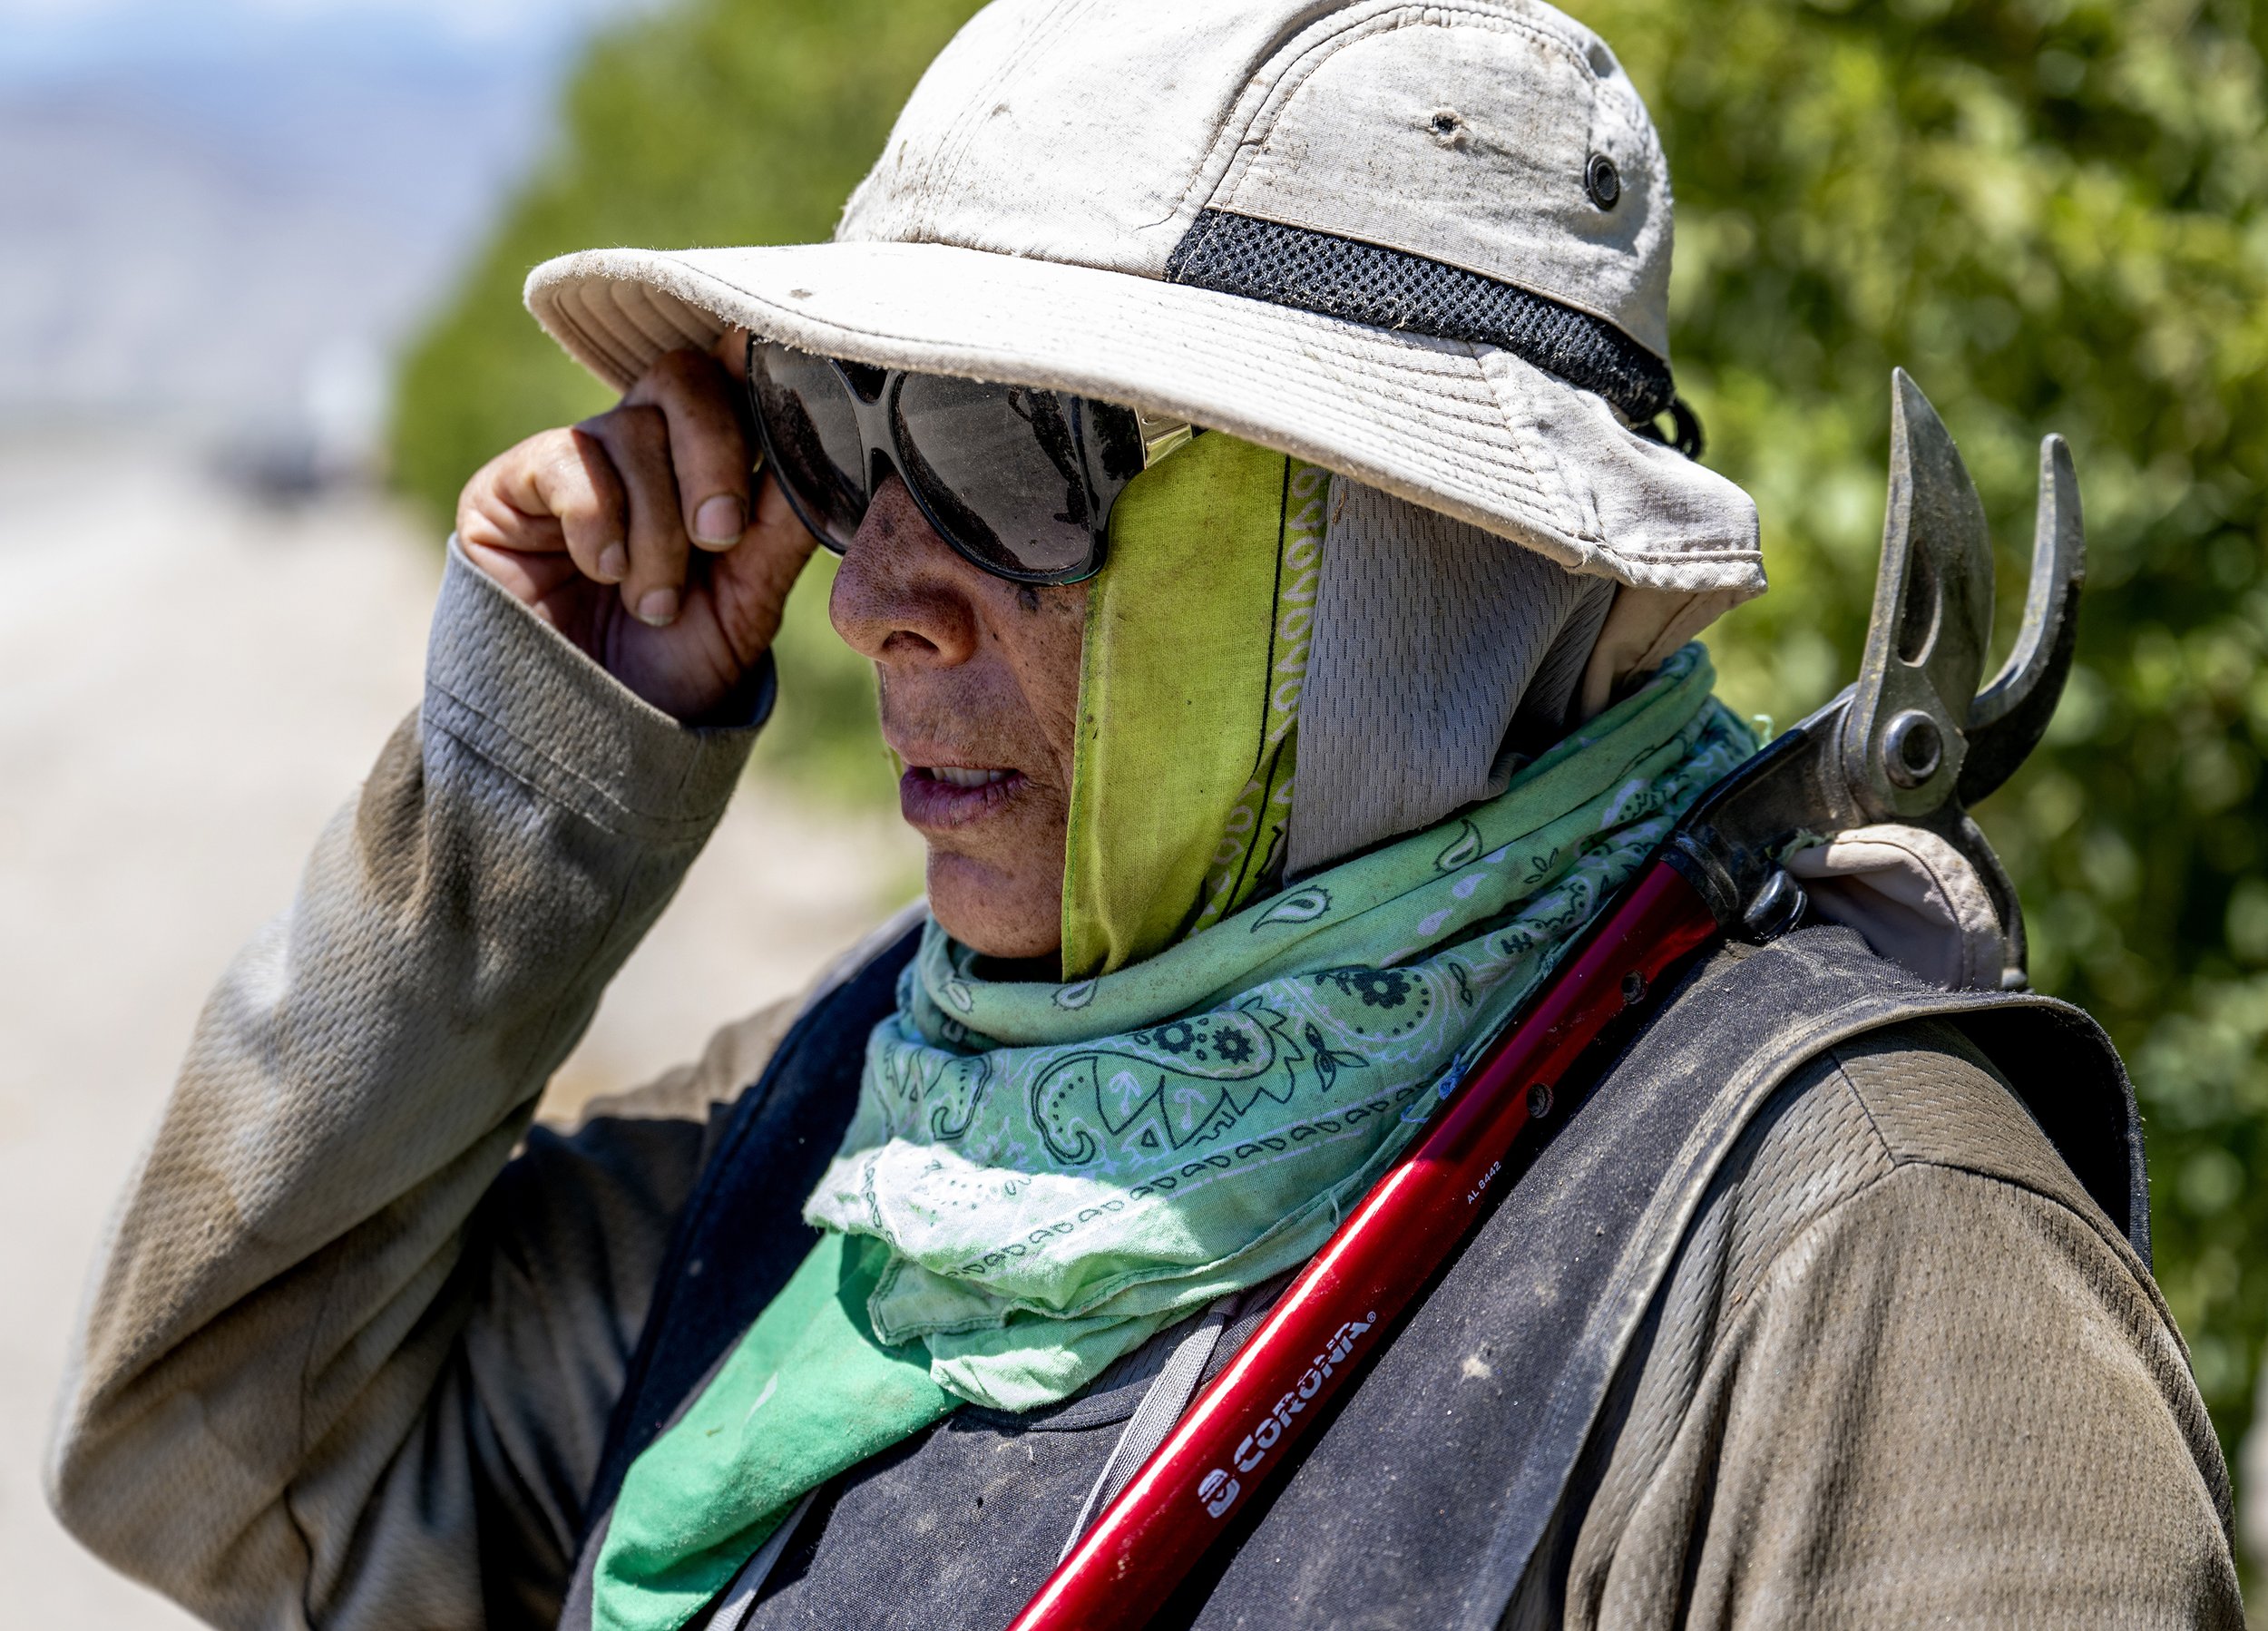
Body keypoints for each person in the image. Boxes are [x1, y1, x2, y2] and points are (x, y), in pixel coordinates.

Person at [48, 0, 2242, 1626]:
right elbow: (227, 1455)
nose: (880, 588)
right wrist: (546, 760)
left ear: (1401, 546)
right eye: (834, 430)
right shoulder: (879, 1129)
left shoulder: (1865, 1252)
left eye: (1020, 451)